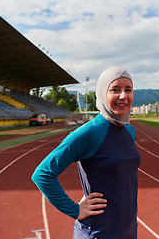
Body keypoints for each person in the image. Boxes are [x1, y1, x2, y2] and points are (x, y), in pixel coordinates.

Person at [32, 67, 141, 238]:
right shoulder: (89, 132)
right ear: (102, 94)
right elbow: (42, 174)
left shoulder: (129, 131)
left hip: (128, 230)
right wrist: (75, 210)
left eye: (128, 90)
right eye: (115, 89)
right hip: (98, 232)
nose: (123, 96)